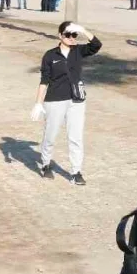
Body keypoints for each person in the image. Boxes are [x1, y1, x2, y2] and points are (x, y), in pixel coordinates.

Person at [32, 21, 102, 186]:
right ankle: (45, 164)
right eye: (68, 35)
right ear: (60, 36)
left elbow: (96, 45)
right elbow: (44, 81)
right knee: (50, 135)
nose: (72, 38)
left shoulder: (78, 51)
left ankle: (76, 171)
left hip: (76, 100)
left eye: (74, 35)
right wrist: (38, 103)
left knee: (76, 137)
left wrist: (83, 30)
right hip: (55, 99)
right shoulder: (50, 55)